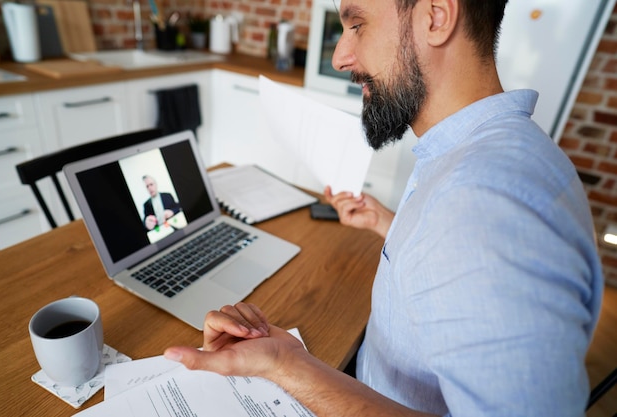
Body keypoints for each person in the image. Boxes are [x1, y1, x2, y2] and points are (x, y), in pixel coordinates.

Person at [164, 1, 604, 416]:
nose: (340, 57)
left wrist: (285, 365)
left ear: (435, 16)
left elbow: (470, 235)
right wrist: (390, 224)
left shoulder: (479, 206)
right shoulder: (485, 153)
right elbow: (457, 262)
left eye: (357, 25)